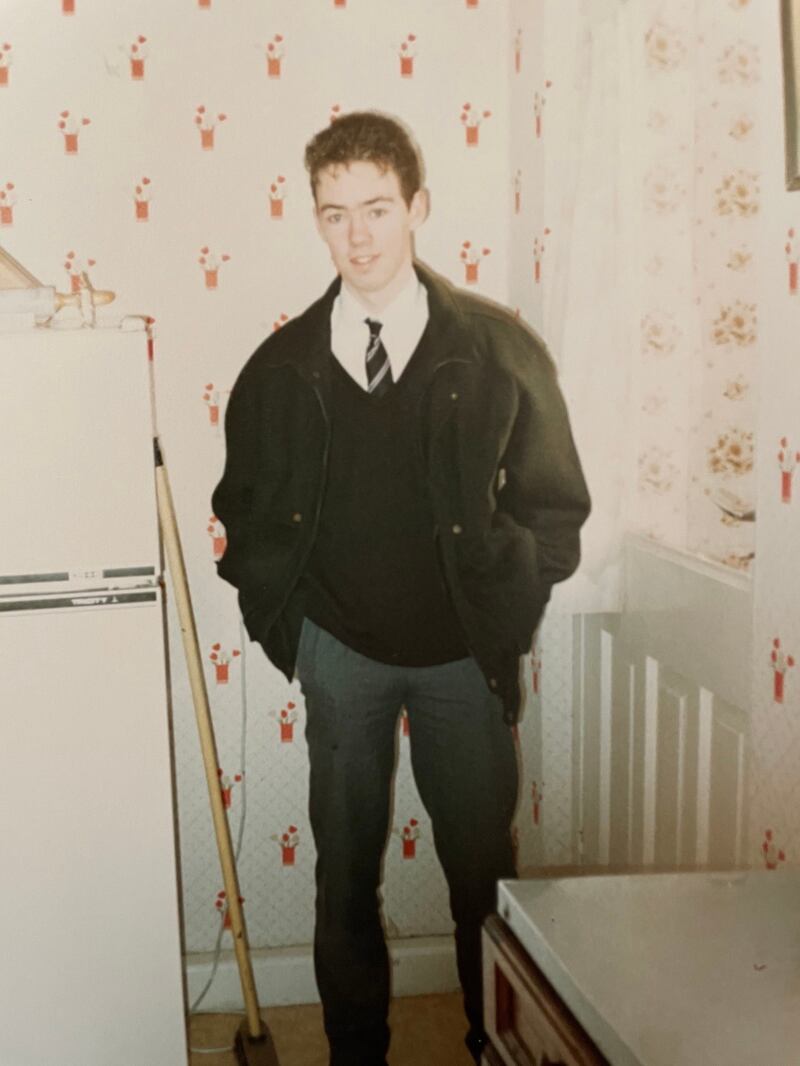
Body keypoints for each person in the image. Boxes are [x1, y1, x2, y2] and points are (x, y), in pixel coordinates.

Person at [212, 110, 590, 1066]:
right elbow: (243, 512)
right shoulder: (280, 368)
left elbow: (554, 505)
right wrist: (291, 631)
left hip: (464, 659)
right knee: (343, 875)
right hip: (341, 658)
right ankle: (355, 1054)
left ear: (417, 207)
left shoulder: (499, 350)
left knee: (482, 874)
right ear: (316, 219)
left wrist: (506, 603)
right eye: (335, 213)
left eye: (377, 208)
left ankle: (488, 1041)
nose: (359, 235)